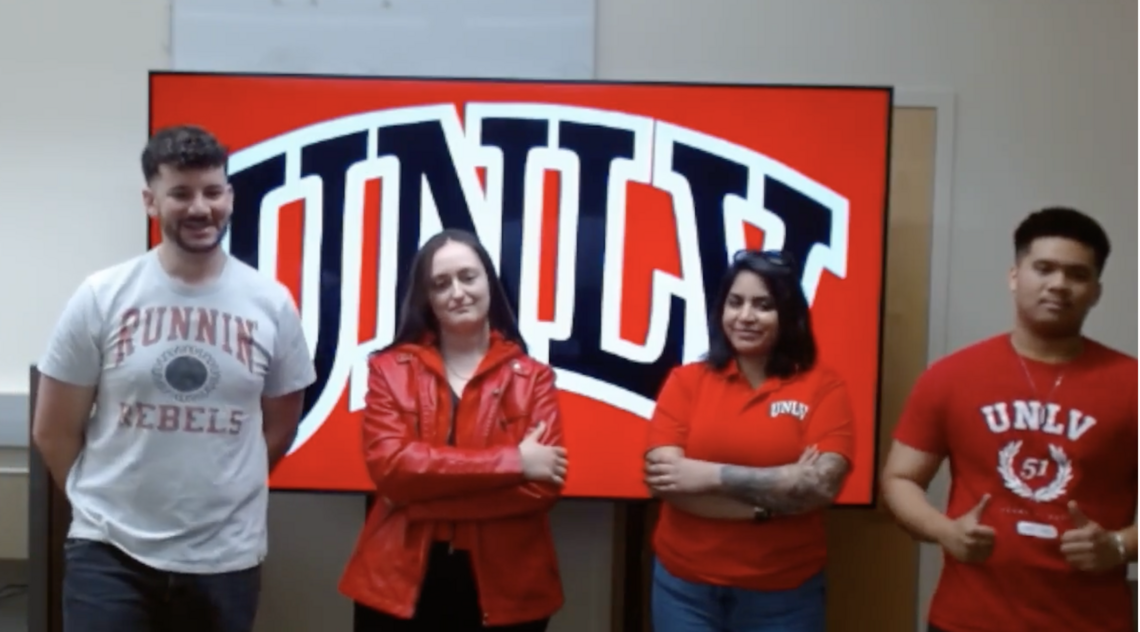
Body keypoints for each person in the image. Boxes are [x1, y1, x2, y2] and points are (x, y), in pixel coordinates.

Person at [31, 125, 317, 632]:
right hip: (110, 553)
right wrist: (103, 508)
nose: (200, 208)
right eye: (181, 193)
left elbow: (279, 428)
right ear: (151, 201)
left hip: (225, 559)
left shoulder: (271, 304)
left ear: (230, 196)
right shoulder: (102, 295)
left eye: (212, 192)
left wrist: (224, 491)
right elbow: (53, 430)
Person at [881, 207, 1137, 632]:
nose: (1059, 284)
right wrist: (944, 531)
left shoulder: (1132, 384)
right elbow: (899, 478)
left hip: (1090, 621)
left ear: (1096, 292)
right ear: (1015, 276)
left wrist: (1119, 545)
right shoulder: (950, 376)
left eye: (1077, 274)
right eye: (1044, 268)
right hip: (966, 620)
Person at [338, 228, 569, 631]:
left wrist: (418, 502)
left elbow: (541, 489)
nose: (457, 292)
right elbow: (391, 469)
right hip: (396, 584)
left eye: (468, 277)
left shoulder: (534, 378)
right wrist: (514, 461)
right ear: (426, 297)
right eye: (441, 283)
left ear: (489, 283)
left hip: (509, 587)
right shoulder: (389, 370)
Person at [642, 249, 856, 632]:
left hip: (785, 593)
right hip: (685, 590)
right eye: (735, 302)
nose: (745, 316)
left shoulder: (824, 387)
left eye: (763, 305)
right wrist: (775, 496)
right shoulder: (686, 382)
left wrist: (709, 475)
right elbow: (665, 482)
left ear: (788, 314)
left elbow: (820, 486)